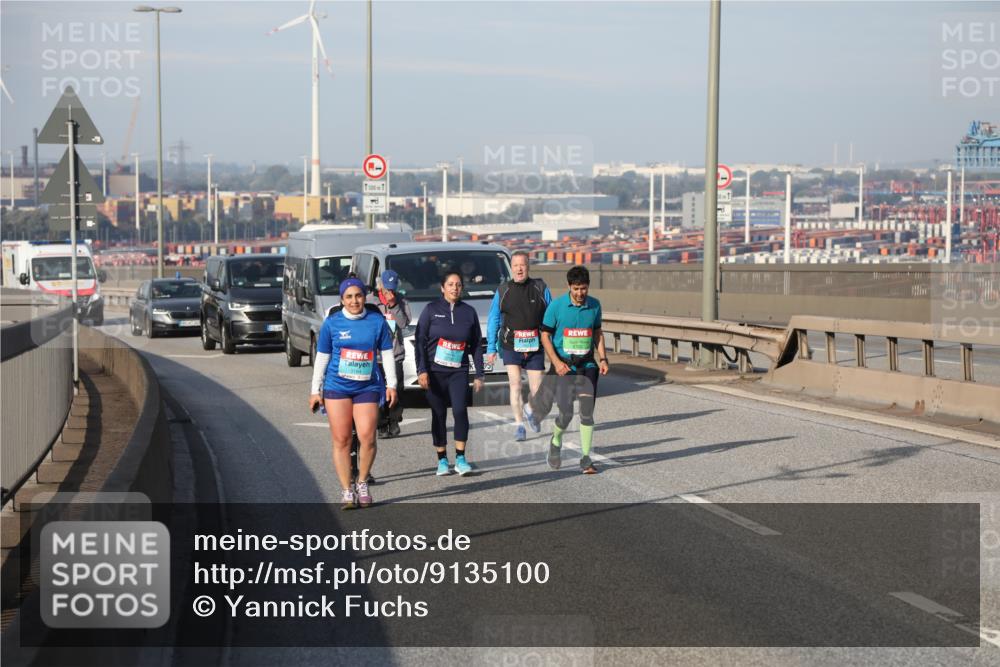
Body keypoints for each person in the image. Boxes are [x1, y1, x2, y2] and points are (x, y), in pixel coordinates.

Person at [309, 277, 397, 509]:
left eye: (358, 296)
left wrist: (392, 385)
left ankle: (362, 482)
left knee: (367, 437)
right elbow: (322, 357)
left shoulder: (376, 321)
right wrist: (314, 390)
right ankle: (347, 489)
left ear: (364, 297)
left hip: (367, 386)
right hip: (337, 387)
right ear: (342, 300)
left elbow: (386, 353)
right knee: (342, 439)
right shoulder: (332, 323)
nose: (354, 300)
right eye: (349, 297)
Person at [523, 265, 609, 474]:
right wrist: (556, 362)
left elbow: (597, 333)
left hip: (587, 365)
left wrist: (604, 358)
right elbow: (545, 336)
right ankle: (556, 441)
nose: (581, 293)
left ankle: (586, 459)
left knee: (587, 413)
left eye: (584, 289)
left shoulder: (595, 306)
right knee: (567, 413)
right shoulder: (556, 307)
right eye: (577, 289)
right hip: (564, 366)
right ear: (569, 286)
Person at [414, 271, 484, 476]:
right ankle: (442, 459)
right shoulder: (431, 310)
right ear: (442, 288)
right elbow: (420, 341)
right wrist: (422, 370)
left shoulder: (469, 312)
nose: (455, 288)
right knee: (439, 414)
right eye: (451, 284)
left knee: (460, 411)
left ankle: (461, 459)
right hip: (435, 372)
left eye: (459, 285)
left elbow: (476, 345)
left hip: (458, 371)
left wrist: (479, 374)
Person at [485, 251, 552, 442]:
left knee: (537, 389)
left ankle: (531, 409)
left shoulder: (540, 287)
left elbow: (551, 314)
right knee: (515, 384)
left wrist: (555, 344)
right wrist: (491, 348)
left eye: (523, 265)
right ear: (511, 268)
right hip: (511, 344)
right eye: (515, 265)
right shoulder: (503, 290)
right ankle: (519, 425)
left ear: (528, 266)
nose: (519, 269)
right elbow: (494, 319)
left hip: (534, 345)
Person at [368, 269, 411, 438]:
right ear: (380, 287)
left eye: (393, 289)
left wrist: (393, 306)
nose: (390, 293)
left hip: (395, 354)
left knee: (396, 389)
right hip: (376, 356)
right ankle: (381, 425)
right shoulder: (371, 302)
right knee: (378, 391)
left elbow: (403, 324)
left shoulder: (402, 301)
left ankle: (394, 420)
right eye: (387, 290)